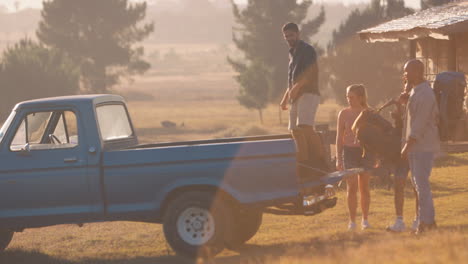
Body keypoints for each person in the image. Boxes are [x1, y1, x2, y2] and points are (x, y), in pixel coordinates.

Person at [279, 22, 328, 191]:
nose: (288, 39)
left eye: (291, 35)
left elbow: (310, 73)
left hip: (308, 93)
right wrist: (285, 98)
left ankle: (321, 162)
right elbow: (291, 79)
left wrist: (297, 88)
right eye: (286, 36)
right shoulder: (291, 53)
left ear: (298, 34)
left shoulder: (307, 50)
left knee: (305, 126)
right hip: (295, 96)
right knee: (294, 130)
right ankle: (305, 164)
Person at [401, 59, 440, 234]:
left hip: (422, 146)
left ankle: (427, 222)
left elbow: (420, 123)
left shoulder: (425, 94)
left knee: (421, 185)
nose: (405, 75)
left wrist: (408, 144)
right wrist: (406, 95)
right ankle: (427, 220)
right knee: (419, 185)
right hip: (417, 146)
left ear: (418, 72)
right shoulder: (415, 91)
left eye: (407, 72)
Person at [336, 84, 373, 231]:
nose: (349, 100)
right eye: (347, 97)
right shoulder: (343, 114)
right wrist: (338, 157)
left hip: (365, 152)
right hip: (349, 152)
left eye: (352, 97)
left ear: (360, 97)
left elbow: (374, 137)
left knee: (364, 187)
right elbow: (339, 136)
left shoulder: (369, 113)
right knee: (351, 187)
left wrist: (375, 155)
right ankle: (352, 221)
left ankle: (365, 219)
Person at [386, 82, 419, 232]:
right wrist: (399, 106)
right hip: (401, 150)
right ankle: (399, 221)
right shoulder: (402, 104)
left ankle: (418, 219)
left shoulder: (418, 102)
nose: (405, 91)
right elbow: (398, 125)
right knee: (398, 184)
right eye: (405, 88)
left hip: (416, 149)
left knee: (417, 185)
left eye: (408, 89)